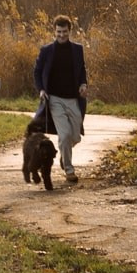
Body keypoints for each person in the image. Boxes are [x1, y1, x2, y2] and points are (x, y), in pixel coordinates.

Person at [33, 15, 88, 184]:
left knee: (76, 137)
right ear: (54, 31)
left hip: (73, 99)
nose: (61, 35)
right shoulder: (47, 50)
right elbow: (37, 72)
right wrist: (41, 90)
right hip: (54, 99)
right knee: (64, 135)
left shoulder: (77, 49)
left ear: (69, 31)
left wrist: (83, 83)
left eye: (64, 32)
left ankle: (65, 154)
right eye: (58, 32)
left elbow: (82, 70)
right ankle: (69, 171)